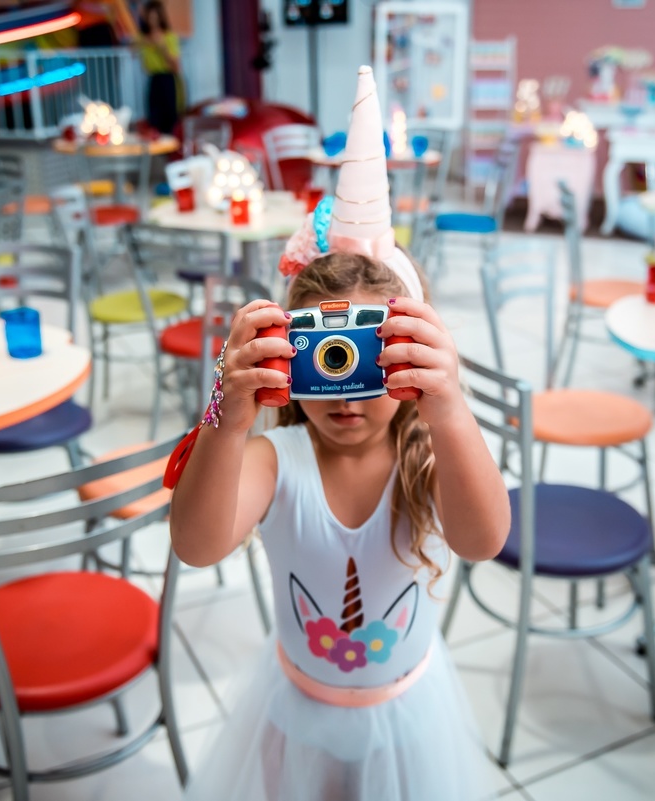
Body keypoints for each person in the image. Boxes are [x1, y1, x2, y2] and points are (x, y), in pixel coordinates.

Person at [168, 66, 509, 801]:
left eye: (368, 355)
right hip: (298, 706)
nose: (347, 389)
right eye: (327, 357)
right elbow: (195, 545)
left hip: (410, 707)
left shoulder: (425, 458)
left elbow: (484, 541)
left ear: (410, 353)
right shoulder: (274, 458)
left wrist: (448, 407)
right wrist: (230, 414)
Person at [137, 0, 182, 134]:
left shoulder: (169, 37)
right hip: (153, 79)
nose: (153, 20)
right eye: (150, 16)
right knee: (154, 117)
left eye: (155, 16)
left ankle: (171, 149)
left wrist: (162, 47)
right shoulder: (142, 39)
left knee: (170, 116)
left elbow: (176, 66)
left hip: (168, 79)